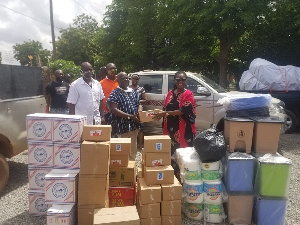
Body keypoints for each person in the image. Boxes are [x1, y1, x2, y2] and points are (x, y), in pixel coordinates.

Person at [154, 71, 196, 179]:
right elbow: (165, 108)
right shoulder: (170, 93)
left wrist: (166, 113)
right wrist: (160, 115)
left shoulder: (188, 94)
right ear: (174, 81)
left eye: (183, 79)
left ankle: (184, 179)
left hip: (183, 130)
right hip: (170, 129)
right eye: (178, 80)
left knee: (183, 154)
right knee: (171, 152)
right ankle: (172, 178)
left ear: (186, 81)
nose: (181, 82)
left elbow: (183, 111)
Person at [106, 72, 140, 160]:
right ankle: (123, 171)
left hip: (133, 126)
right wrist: (130, 116)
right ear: (118, 80)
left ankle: (131, 170)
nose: (126, 80)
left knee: (132, 151)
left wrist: (140, 112)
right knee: (122, 153)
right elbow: (114, 109)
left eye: (127, 78)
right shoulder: (115, 93)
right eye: (123, 78)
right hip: (121, 127)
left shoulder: (134, 92)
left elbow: (138, 104)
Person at [130, 74, 146, 150]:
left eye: (136, 79)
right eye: (133, 79)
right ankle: (132, 144)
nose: (135, 80)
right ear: (131, 79)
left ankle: (140, 144)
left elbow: (145, 99)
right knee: (131, 127)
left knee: (140, 127)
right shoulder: (128, 88)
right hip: (130, 109)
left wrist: (137, 101)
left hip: (139, 109)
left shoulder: (141, 89)